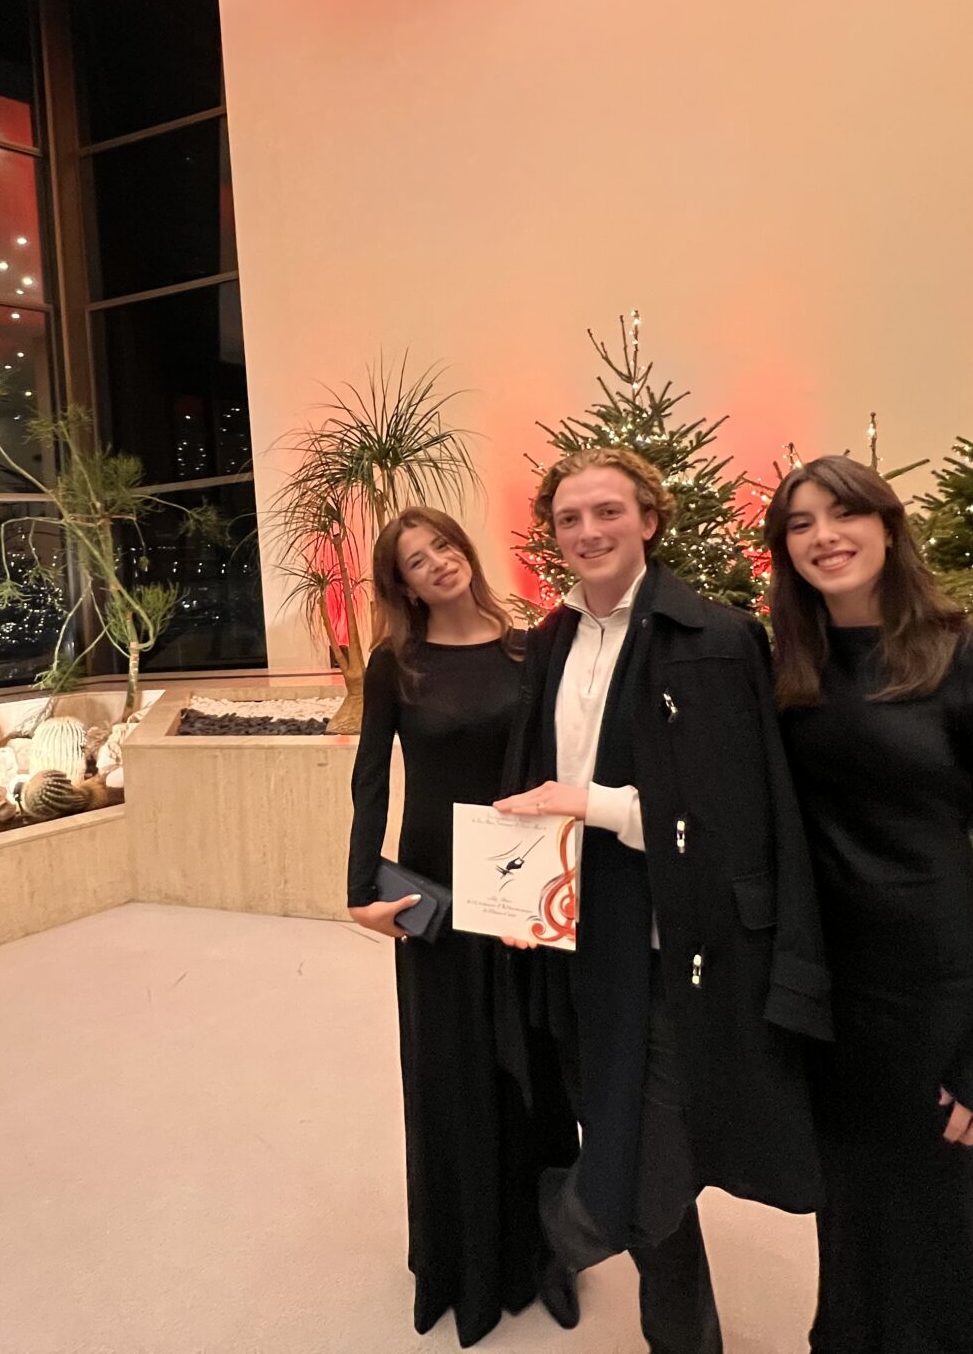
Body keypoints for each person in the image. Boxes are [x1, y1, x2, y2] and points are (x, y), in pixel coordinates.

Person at [496, 448, 833, 1354]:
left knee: (649, 1155)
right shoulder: (549, 642)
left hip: (678, 943)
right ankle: (685, 1339)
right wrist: (521, 897)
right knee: (622, 1134)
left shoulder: (716, 637)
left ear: (649, 519)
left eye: (608, 511)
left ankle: (563, 1225)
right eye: (569, 519)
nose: (588, 532)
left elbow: (732, 817)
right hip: (576, 935)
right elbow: (531, 781)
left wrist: (595, 805)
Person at [765, 455, 973, 1354]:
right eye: (801, 524)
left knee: (940, 1236)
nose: (824, 537)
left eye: (844, 514)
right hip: (825, 993)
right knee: (849, 1219)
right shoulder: (786, 669)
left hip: (934, 991)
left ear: (889, 529)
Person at [346, 506, 580, 1346]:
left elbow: (560, 766)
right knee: (451, 1068)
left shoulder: (529, 651)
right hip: (436, 892)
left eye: (442, 546)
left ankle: (547, 1255)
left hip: (523, 886)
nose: (437, 563)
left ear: (464, 551)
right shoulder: (396, 665)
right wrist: (359, 890)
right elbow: (371, 779)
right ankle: (461, 1261)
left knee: (535, 1068)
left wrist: (565, 881)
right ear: (403, 584)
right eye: (416, 560)